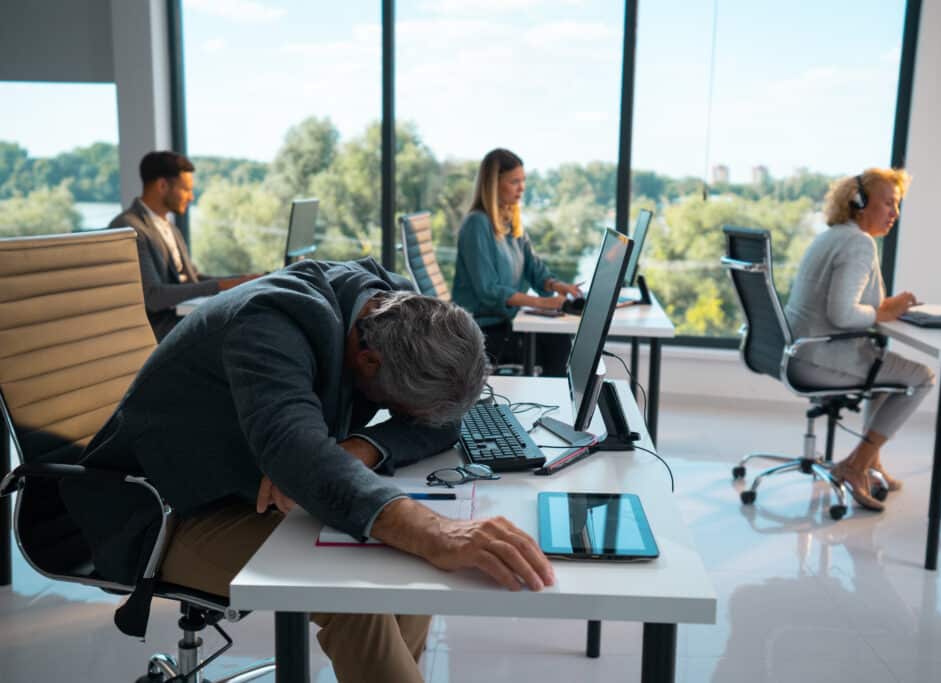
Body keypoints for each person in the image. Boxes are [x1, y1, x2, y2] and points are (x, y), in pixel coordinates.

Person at [60, 257, 555, 682]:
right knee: (355, 599)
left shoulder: (388, 302)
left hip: (242, 487)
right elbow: (295, 450)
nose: (408, 417)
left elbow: (444, 422)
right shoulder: (269, 324)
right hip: (157, 508)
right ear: (367, 358)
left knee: (404, 562)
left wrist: (352, 449)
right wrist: (435, 531)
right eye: (401, 405)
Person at [784, 168, 935, 511]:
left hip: (800, 353)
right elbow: (842, 314)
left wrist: (885, 307)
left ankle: (871, 461)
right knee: (921, 378)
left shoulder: (833, 236)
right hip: (821, 359)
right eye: (888, 204)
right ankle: (855, 465)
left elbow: (845, 304)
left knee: (889, 377)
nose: (895, 214)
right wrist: (882, 313)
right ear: (861, 204)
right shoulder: (858, 244)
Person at [452, 148, 582, 377]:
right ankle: (560, 405)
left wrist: (556, 285)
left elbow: (533, 266)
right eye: (514, 181)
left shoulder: (510, 220)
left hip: (508, 323)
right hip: (483, 331)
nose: (522, 187)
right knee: (556, 346)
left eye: (523, 180)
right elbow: (489, 290)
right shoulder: (476, 224)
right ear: (494, 184)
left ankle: (562, 404)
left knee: (559, 340)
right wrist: (542, 303)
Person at [109, 151, 259, 341]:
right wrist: (222, 285)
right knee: (244, 328)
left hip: (181, 319)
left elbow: (192, 279)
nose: (191, 197)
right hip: (158, 330)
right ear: (162, 185)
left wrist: (242, 281)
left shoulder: (169, 227)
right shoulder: (129, 227)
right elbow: (153, 297)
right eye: (186, 189)